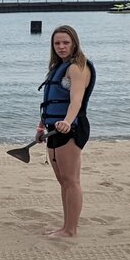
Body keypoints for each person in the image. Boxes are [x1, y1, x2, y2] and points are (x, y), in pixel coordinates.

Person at [36, 25, 96, 238]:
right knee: (63, 180)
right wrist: (41, 126)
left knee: (71, 180)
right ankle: (65, 227)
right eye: (57, 43)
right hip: (54, 128)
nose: (61, 47)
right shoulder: (57, 67)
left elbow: (76, 100)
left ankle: (70, 230)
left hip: (72, 127)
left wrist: (68, 122)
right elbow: (50, 101)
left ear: (74, 43)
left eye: (65, 42)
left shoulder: (77, 67)